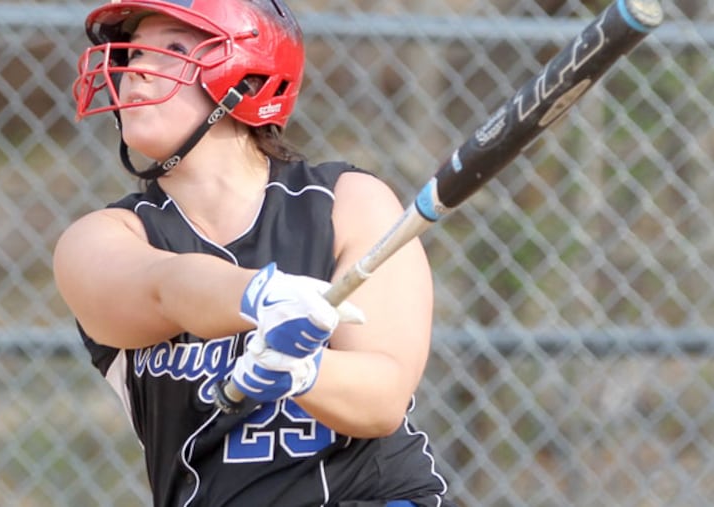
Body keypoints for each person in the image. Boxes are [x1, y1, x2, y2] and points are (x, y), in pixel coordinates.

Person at [53, 0, 454, 505]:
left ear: (247, 76)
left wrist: (303, 370)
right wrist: (259, 296)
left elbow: (382, 399)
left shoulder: (346, 202)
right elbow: (163, 289)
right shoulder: (102, 238)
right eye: (131, 55)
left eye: (172, 49)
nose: (136, 71)